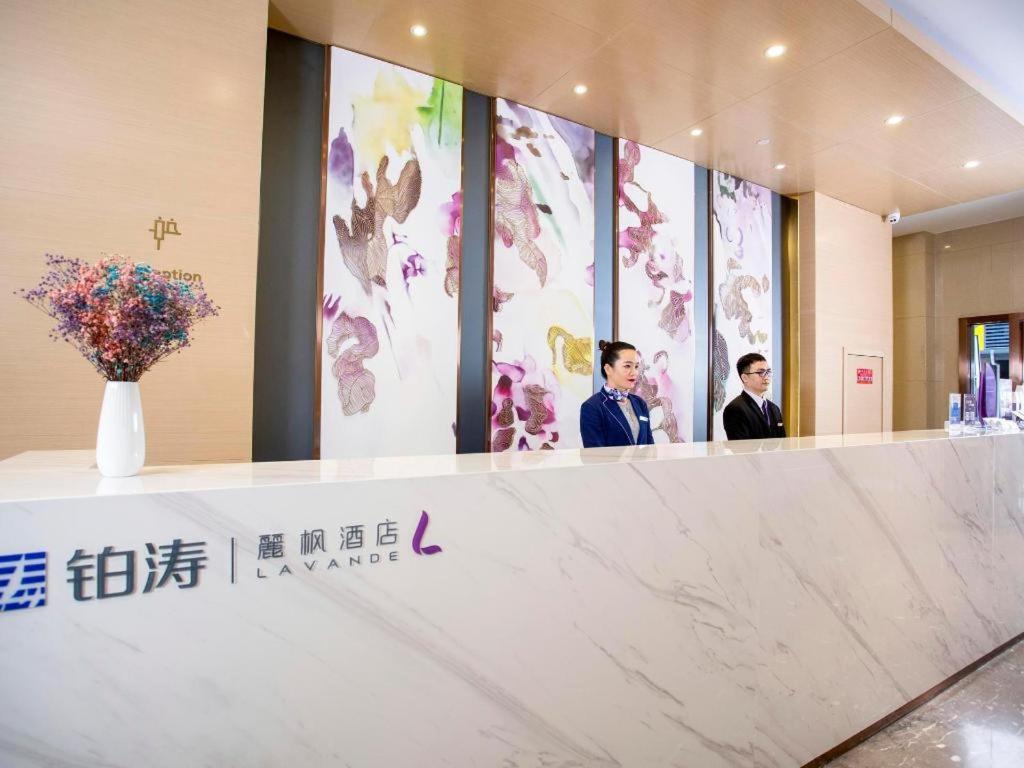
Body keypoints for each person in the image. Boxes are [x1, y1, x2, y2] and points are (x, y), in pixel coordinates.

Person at [580, 340, 654, 447]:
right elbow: (595, 456)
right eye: (627, 366)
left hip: (642, 464)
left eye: (636, 366)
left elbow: (649, 446)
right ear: (608, 369)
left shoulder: (640, 403)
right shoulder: (592, 407)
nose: (634, 372)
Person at [723, 352, 786, 440]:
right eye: (761, 372)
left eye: (768, 372)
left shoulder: (774, 408)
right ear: (745, 378)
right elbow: (740, 448)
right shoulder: (735, 409)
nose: (766, 377)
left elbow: (783, 443)